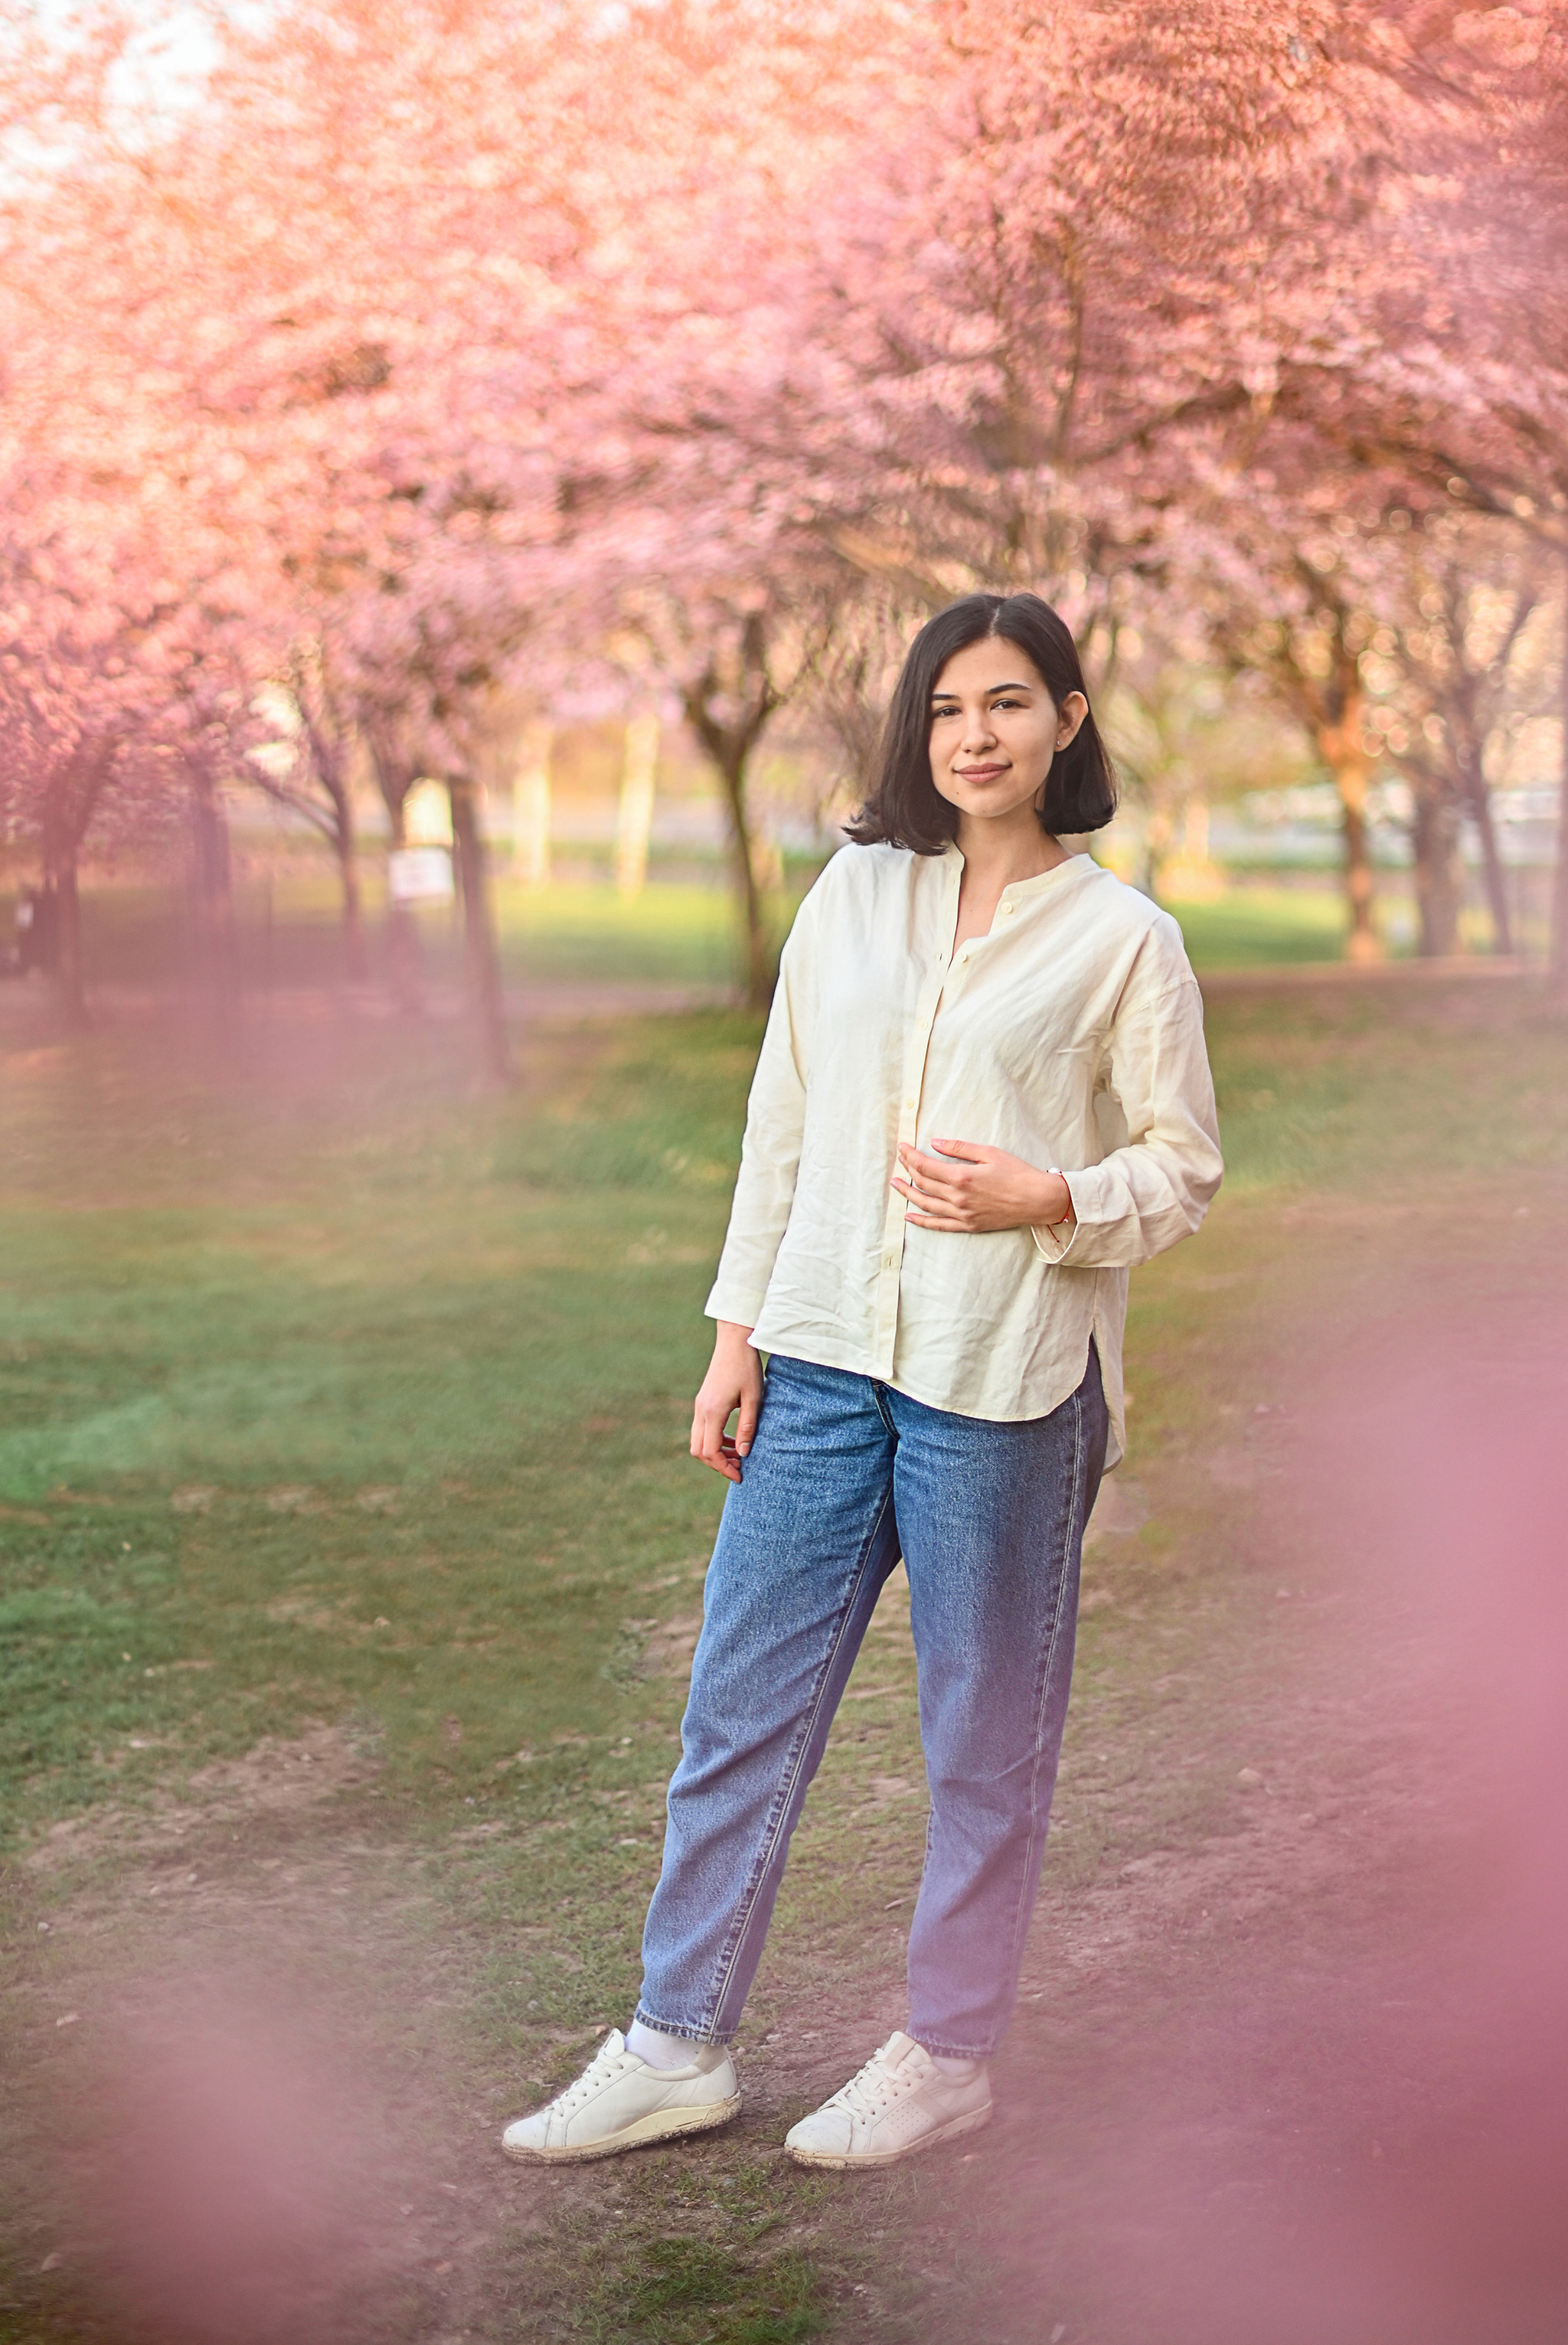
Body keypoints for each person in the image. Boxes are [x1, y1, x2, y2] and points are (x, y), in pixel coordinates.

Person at [503, 591, 1223, 2171]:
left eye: (1009, 702)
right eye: (947, 707)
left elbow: (1182, 1168)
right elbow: (784, 1119)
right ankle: (675, 2042)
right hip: (822, 1357)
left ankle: (948, 2053)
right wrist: (734, 1332)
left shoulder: (1124, 941)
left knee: (981, 1741)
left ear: (1068, 720)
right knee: (736, 1710)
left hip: (1002, 1380)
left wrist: (1050, 1195)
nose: (976, 735)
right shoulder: (854, 894)